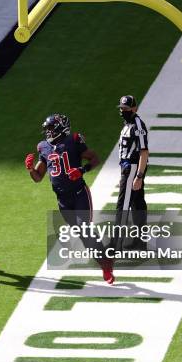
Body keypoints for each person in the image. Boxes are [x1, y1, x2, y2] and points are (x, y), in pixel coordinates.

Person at [24, 114, 114, 284]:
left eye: (51, 128)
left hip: (79, 193)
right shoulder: (43, 147)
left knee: (84, 229)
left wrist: (82, 170)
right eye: (47, 128)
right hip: (62, 200)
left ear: (60, 128)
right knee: (82, 234)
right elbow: (38, 177)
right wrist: (30, 169)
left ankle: (105, 264)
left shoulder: (73, 140)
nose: (48, 131)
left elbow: (94, 158)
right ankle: (104, 258)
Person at [115, 95, 149, 250]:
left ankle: (116, 244)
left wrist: (139, 176)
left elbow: (144, 152)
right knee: (138, 205)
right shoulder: (128, 124)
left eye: (126, 109)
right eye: (121, 109)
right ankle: (140, 242)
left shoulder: (137, 125)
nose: (123, 111)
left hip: (132, 168)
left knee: (122, 206)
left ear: (134, 108)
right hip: (129, 167)